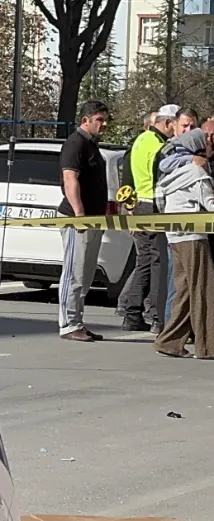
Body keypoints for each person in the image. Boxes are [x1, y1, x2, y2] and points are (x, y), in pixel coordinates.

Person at [152, 128, 214, 360]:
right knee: (204, 291)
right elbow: (212, 206)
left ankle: (169, 342)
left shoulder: (171, 175)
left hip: (174, 238)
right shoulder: (197, 173)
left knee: (185, 292)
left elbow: (161, 203)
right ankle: (209, 348)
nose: (211, 143)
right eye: (206, 141)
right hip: (194, 239)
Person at [57, 100, 110, 342]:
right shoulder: (75, 143)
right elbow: (70, 180)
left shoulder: (92, 145)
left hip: (94, 220)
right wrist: (79, 215)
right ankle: (68, 324)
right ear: (85, 120)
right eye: (99, 119)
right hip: (76, 219)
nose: (104, 124)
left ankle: (77, 321)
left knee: (86, 274)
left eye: (105, 119)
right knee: (74, 273)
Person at [120, 103, 176, 332]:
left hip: (139, 204)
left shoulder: (140, 140)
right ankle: (156, 316)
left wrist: (130, 207)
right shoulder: (161, 146)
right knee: (158, 262)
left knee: (144, 259)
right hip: (154, 205)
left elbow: (128, 176)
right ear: (168, 123)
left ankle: (132, 312)